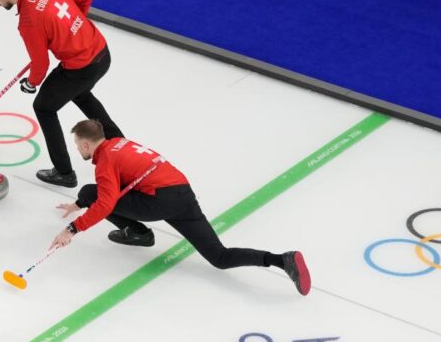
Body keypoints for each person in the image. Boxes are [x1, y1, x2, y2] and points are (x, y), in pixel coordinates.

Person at [50, 120, 312, 295]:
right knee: (219, 256)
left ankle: (139, 233)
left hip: (158, 201)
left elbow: (105, 203)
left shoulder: (106, 160)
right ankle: (281, 260)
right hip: (182, 192)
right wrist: (79, 202)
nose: (78, 150)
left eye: (76, 145)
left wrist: (72, 229)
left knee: (95, 195)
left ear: (86, 144)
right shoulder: (121, 144)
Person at [0, 0, 122, 189]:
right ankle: (119, 144)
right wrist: (72, 30)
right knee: (80, 93)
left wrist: (31, 83)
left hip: (82, 66)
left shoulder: (28, 21)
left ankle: (64, 172)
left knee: (44, 107)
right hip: (102, 51)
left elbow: (40, 64)